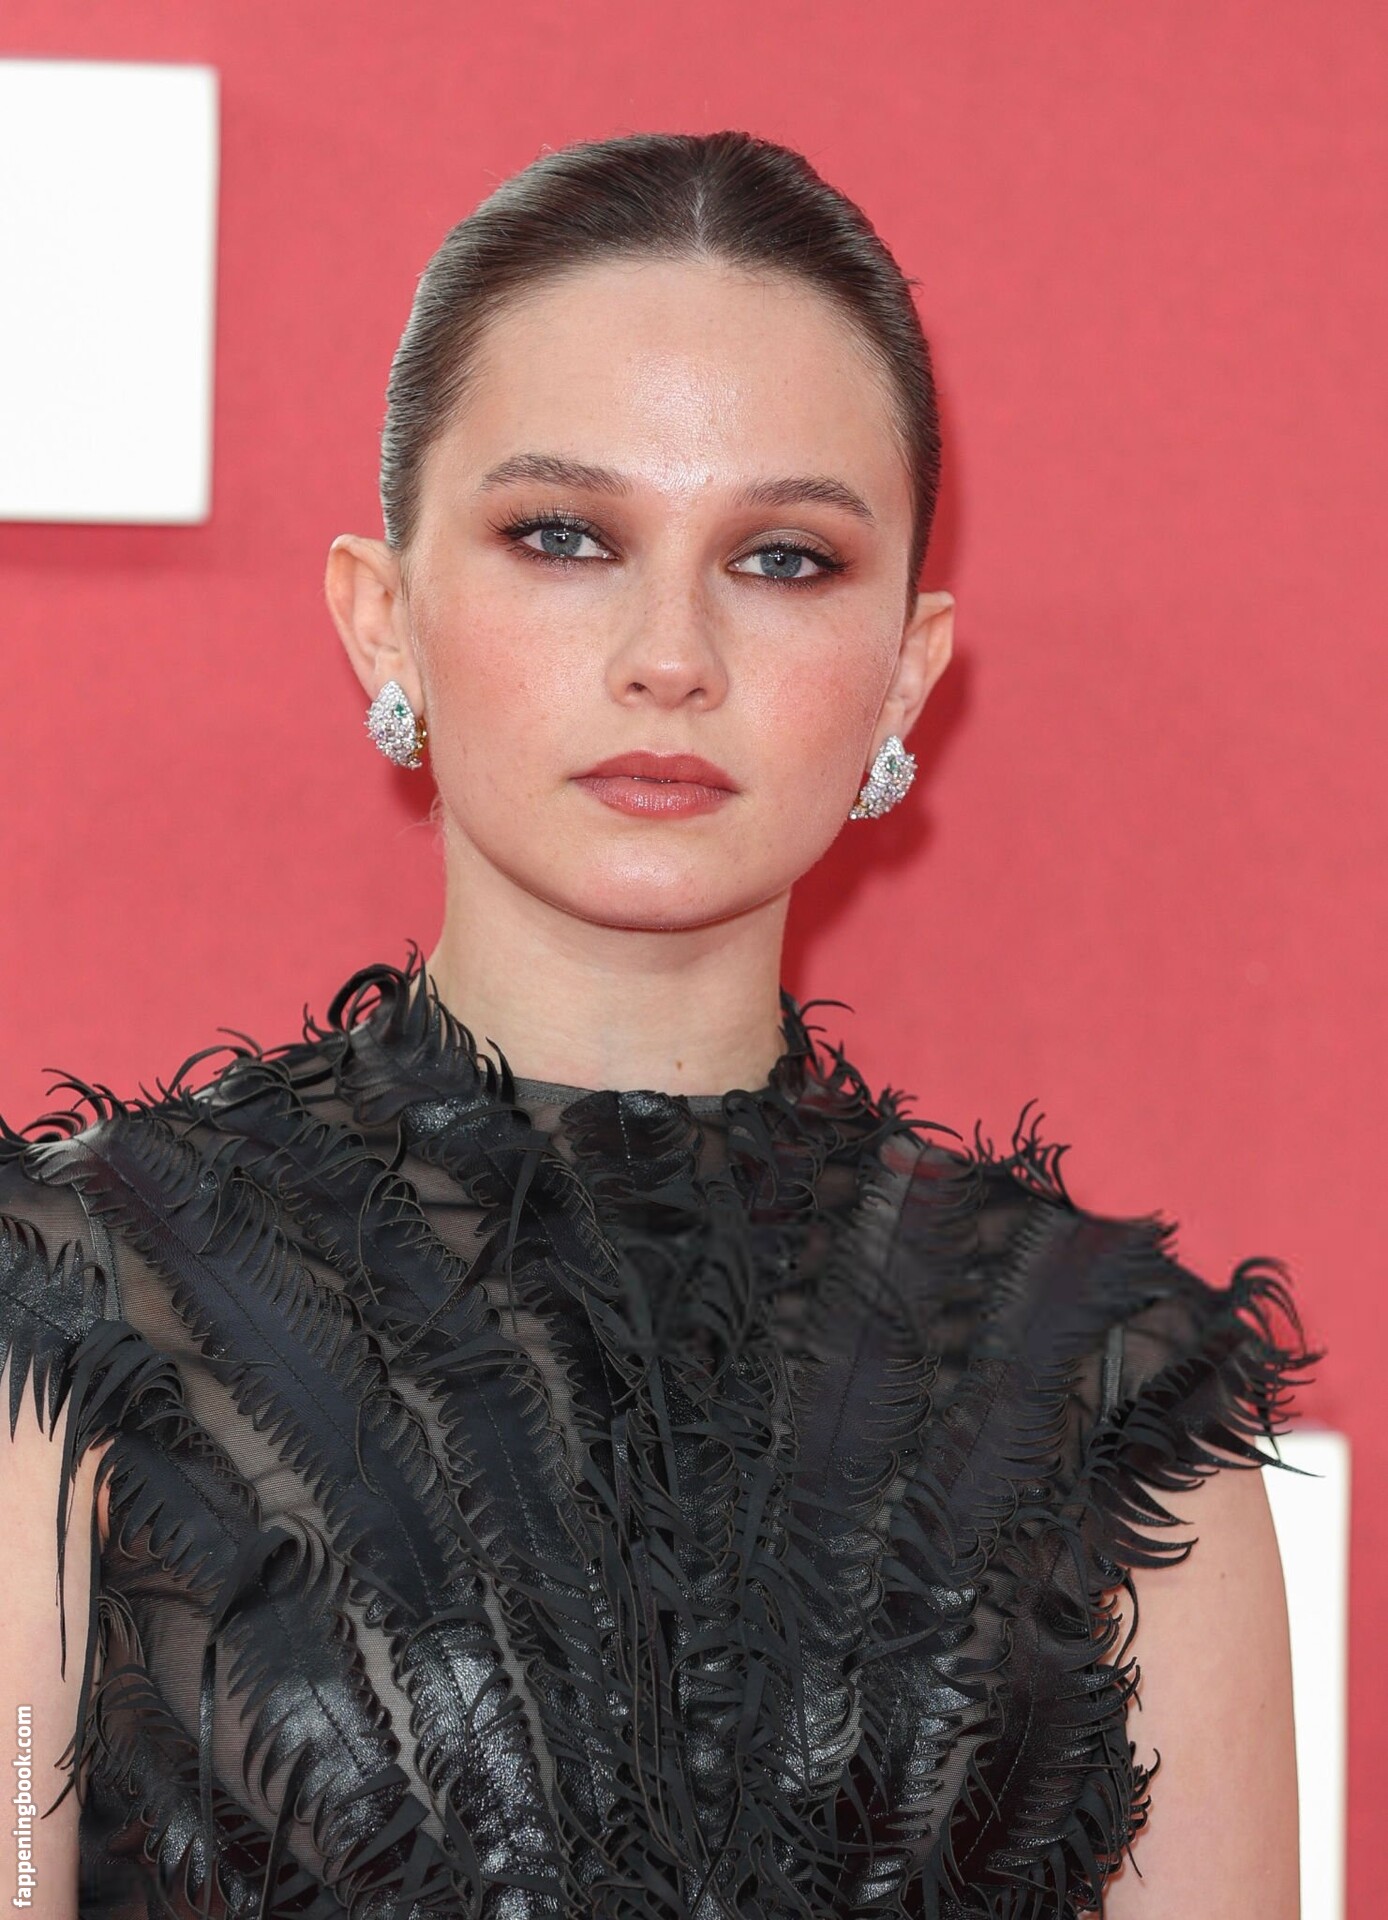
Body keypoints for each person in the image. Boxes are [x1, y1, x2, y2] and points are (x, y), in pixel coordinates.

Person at [0, 130, 1320, 1920]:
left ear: (907, 672)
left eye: (783, 557)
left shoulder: (1114, 1398)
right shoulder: (68, 1319)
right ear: (384, 618)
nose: (671, 653)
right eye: (564, 536)